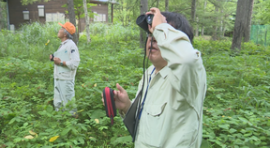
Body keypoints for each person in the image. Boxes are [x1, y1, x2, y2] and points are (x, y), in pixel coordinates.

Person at [103, 8, 206, 147]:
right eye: (150, 34)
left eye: (161, 34)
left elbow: (187, 59)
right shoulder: (150, 72)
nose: (153, 39)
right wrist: (127, 106)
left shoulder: (187, 77)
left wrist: (161, 27)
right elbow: (150, 123)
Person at [50, 22, 80, 116]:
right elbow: (63, 57)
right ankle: (60, 123)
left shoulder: (71, 45)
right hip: (58, 77)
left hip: (66, 79)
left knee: (69, 104)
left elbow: (75, 63)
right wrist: (53, 58)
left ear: (65, 33)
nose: (59, 30)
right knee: (58, 103)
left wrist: (61, 63)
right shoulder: (63, 45)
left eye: (61, 28)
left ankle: (72, 124)